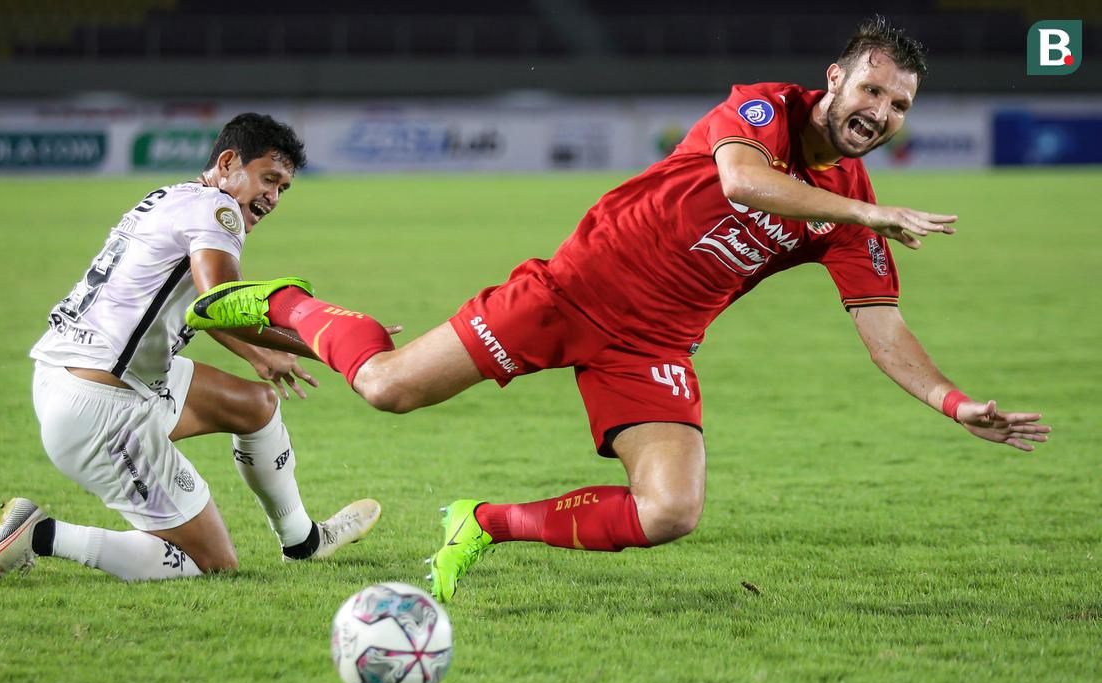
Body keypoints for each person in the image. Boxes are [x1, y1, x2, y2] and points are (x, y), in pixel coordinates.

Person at [184, 18, 1051, 603]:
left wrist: (953, 403)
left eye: (897, 105)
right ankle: (289, 301)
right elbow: (743, 180)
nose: (879, 113)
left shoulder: (849, 208)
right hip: (572, 291)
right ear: (837, 78)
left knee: (669, 511)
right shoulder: (765, 110)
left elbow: (883, 332)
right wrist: (864, 210)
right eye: (870, 91)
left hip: (656, 343)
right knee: (385, 389)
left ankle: (482, 523)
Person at [0, 113, 382, 585]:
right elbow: (222, 303)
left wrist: (254, 352)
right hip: (103, 409)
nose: (272, 196)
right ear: (228, 163)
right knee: (215, 563)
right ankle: (40, 534)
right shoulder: (219, 212)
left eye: (283, 188)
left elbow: (190, 302)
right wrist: (332, 343)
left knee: (256, 406)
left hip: (76, 373)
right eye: (269, 179)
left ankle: (303, 541)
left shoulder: (173, 197)